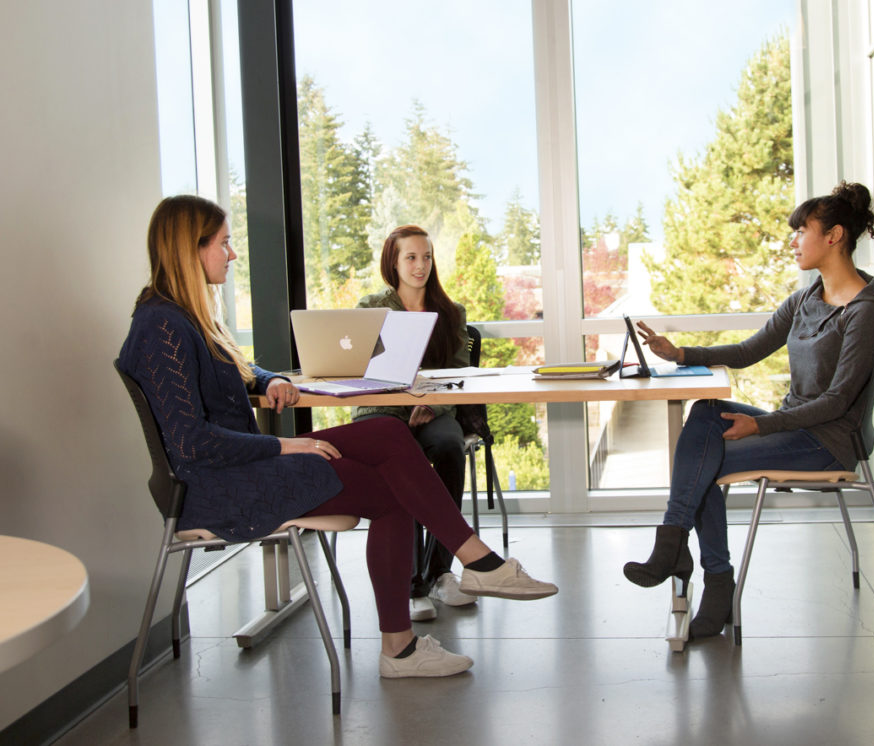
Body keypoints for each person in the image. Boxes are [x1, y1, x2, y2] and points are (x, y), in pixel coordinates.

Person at [119, 196, 557, 679]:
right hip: (221, 486)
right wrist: (286, 444)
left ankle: (474, 564)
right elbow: (191, 443)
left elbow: (240, 371)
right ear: (189, 248)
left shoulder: (185, 316)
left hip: (242, 467)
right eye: (224, 243)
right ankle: (408, 640)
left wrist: (267, 381)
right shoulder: (160, 326)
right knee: (393, 494)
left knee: (389, 433)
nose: (233, 254)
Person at [622, 181, 874, 639]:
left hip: (826, 442)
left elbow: (838, 401)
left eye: (801, 230)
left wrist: (760, 425)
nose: (793, 241)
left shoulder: (865, 312)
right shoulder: (807, 298)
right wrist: (680, 353)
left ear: (834, 236)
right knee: (705, 413)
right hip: (795, 427)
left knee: (702, 461)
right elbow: (749, 350)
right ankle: (688, 557)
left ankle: (705, 571)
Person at [353, 225, 472, 622]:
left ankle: (439, 572)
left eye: (427, 257)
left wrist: (433, 408)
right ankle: (410, 586)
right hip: (385, 413)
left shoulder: (450, 313)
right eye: (411, 257)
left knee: (451, 448)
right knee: (400, 459)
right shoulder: (371, 309)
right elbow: (359, 371)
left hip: (433, 410)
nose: (420, 265)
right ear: (393, 261)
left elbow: (458, 376)